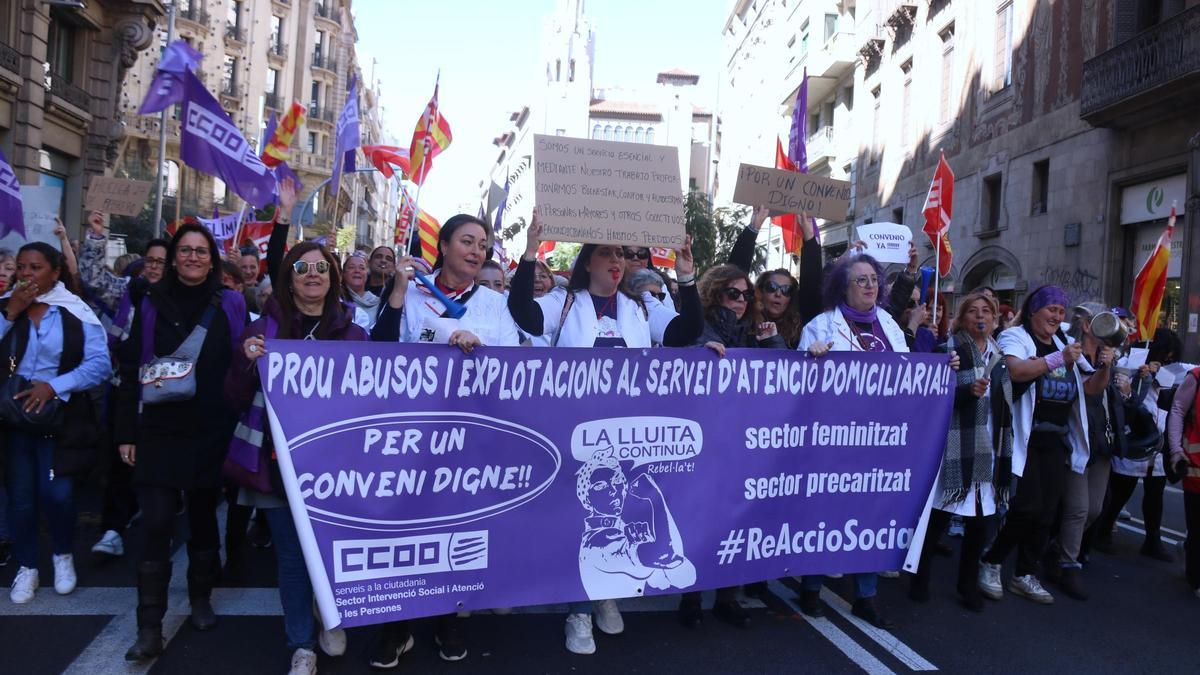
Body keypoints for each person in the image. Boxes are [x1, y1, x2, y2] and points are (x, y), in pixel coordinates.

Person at [509, 213, 702, 655]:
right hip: (571, 432)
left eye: (620, 253)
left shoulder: (638, 308)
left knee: (615, 514)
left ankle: (599, 597)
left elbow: (684, 331)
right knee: (582, 518)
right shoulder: (563, 302)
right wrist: (529, 251)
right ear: (588, 263)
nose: (616, 260)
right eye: (606, 252)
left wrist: (686, 275)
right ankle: (581, 611)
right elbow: (523, 313)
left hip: (623, 435)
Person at [369, 214, 520, 667]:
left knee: (457, 533)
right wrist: (398, 293)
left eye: (483, 245)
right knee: (407, 532)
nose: (477, 251)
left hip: (472, 439)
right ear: (445, 245)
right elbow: (380, 351)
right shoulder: (411, 293)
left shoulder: (495, 304)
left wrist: (480, 353)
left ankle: (448, 618)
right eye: (467, 242)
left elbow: (512, 368)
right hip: (414, 438)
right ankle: (397, 625)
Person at [228, 242, 361, 674]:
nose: (312, 274)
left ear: (333, 278)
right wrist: (246, 363)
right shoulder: (261, 329)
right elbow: (230, 397)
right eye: (302, 267)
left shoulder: (355, 334)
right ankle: (301, 643)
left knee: (328, 552)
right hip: (276, 467)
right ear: (289, 277)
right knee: (291, 557)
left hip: (335, 469)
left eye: (322, 268)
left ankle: (330, 615)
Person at [116, 223, 247, 660]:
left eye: (201, 251)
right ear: (173, 258)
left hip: (211, 428)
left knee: (204, 516)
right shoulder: (148, 300)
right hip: (158, 428)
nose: (192, 257)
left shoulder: (231, 302)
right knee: (155, 522)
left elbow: (242, 363)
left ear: (213, 259)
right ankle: (149, 626)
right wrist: (125, 432)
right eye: (184, 250)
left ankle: (200, 598)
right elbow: (130, 364)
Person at [798, 251, 932, 628]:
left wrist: (940, 368)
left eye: (874, 279)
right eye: (861, 279)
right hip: (833, 441)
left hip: (879, 441)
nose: (871, 285)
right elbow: (793, 386)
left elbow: (908, 377)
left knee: (872, 514)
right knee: (824, 515)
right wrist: (810, 360)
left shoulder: (889, 325)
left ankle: (866, 596)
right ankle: (811, 586)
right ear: (843, 286)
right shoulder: (821, 326)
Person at [2, 243, 110, 603]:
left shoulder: (76, 312)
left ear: (55, 272)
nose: (26, 275)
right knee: (21, 499)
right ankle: (27, 567)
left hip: (60, 420)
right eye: (21, 267)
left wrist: (54, 387)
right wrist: (10, 312)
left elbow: (100, 366)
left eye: (35, 267)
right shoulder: (7, 306)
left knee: (58, 494)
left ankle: (62, 555)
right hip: (14, 421)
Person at [677, 263, 783, 629]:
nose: (740, 301)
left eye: (745, 295)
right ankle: (690, 596)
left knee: (736, 520)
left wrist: (771, 340)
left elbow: (782, 379)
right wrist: (697, 351)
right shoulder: (698, 327)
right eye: (732, 294)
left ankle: (727, 596)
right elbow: (677, 359)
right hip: (705, 440)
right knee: (699, 520)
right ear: (714, 293)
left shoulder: (753, 331)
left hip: (743, 441)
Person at [979, 285, 1090, 605]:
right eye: (1050, 309)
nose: (1057, 315)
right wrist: (1057, 358)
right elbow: (1015, 371)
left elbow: (1090, 385)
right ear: (1033, 311)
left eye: (1060, 310)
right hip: (1022, 434)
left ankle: (1024, 573)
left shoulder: (1065, 342)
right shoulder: (1016, 338)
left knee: (1047, 512)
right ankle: (991, 560)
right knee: (1025, 507)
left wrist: (1107, 366)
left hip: (1055, 438)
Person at [910, 292, 1012, 612]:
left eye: (986, 311)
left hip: (986, 449)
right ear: (962, 318)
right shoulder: (948, 351)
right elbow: (933, 400)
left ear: (994, 320)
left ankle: (967, 583)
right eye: (973, 311)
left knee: (981, 522)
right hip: (954, 447)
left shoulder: (1000, 357)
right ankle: (920, 576)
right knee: (940, 516)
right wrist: (966, 391)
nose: (980, 317)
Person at [1043, 303, 1113, 600]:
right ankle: (1068, 565)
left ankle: (1055, 547)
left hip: (1101, 441)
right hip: (1076, 438)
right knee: (1078, 508)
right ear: (1086, 325)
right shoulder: (1070, 351)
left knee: (1095, 509)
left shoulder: (1108, 354)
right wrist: (1103, 369)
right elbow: (1090, 389)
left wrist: (1110, 366)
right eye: (1101, 321)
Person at [1094, 328, 1181, 561]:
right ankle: (1102, 531)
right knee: (1121, 490)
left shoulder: (1172, 370)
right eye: (1166, 353)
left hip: (1157, 439)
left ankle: (1153, 540)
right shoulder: (1129, 361)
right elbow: (1122, 395)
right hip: (1134, 436)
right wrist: (1141, 375)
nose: (1169, 359)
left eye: (1172, 355)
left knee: (1155, 494)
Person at [728, 206, 821, 349]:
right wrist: (754, 227)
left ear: (791, 298)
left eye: (786, 290)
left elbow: (812, 285)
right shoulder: (744, 319)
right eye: (772, 287)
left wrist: (809, 237)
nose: (778, 294)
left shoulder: (801, 327)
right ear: (760, 292)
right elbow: (733, 276)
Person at [1166, 357, 1200, 596]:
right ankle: (1196, 578)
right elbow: (1177, 410)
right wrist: (1176, 449)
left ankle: (1190, 551)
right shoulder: (1196, 377)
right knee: (1197, 527)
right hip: (1196, 466)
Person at [341, 253, 381, 328]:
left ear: (367, 274)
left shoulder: (378, 303)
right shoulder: (337, 300)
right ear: (343, 273)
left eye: (362, 268)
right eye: (351, 267)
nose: (357, 271)